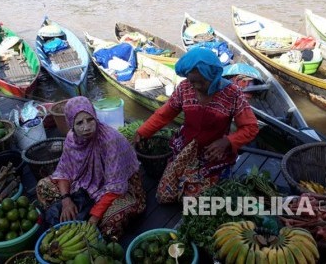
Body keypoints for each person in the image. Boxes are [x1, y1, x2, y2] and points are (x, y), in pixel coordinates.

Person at [134, 47, 259, 204]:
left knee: (193, 202)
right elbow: (164, 114)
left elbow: (251, 127)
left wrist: (227, 141)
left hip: (213, 153)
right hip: (186, 148)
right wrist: (143, 131)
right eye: (192, 81)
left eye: (201, 82)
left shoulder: (233, 94)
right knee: (165, 197)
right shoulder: (185, 88)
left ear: (213, 75)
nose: (196, 86)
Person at [36, 96, 146, 238]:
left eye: (90, 120)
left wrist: (94, 217)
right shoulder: (71, 138)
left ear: (95, 117)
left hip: (119, 187)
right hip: (84, 185)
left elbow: (116, 186)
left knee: (110, 223)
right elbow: (64, 171)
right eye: (79, 123)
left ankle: (79, 216)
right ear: (71, 125)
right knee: (43, 186)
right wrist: (66, 200)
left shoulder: (109, 140)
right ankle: (71, 214)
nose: (86, 127)